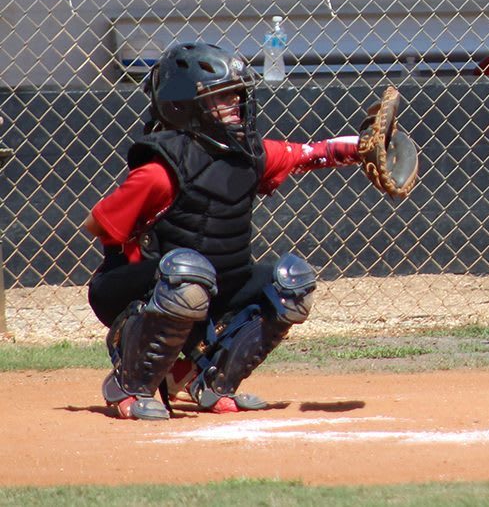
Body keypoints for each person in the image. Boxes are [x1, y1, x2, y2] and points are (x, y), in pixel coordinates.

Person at [85, 41, 373, 420]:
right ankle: (131, 383)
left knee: (292, 283)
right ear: (183, 106)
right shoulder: (161, 170)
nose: (235, 105)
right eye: (221, 99)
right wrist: (148, 275)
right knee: (188, 273)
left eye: (236, 96)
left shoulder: (247, 153)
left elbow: (309, 152)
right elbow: (101, 224)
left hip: (211, 286)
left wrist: (364, 148)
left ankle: (209, 380)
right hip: (142, 288)